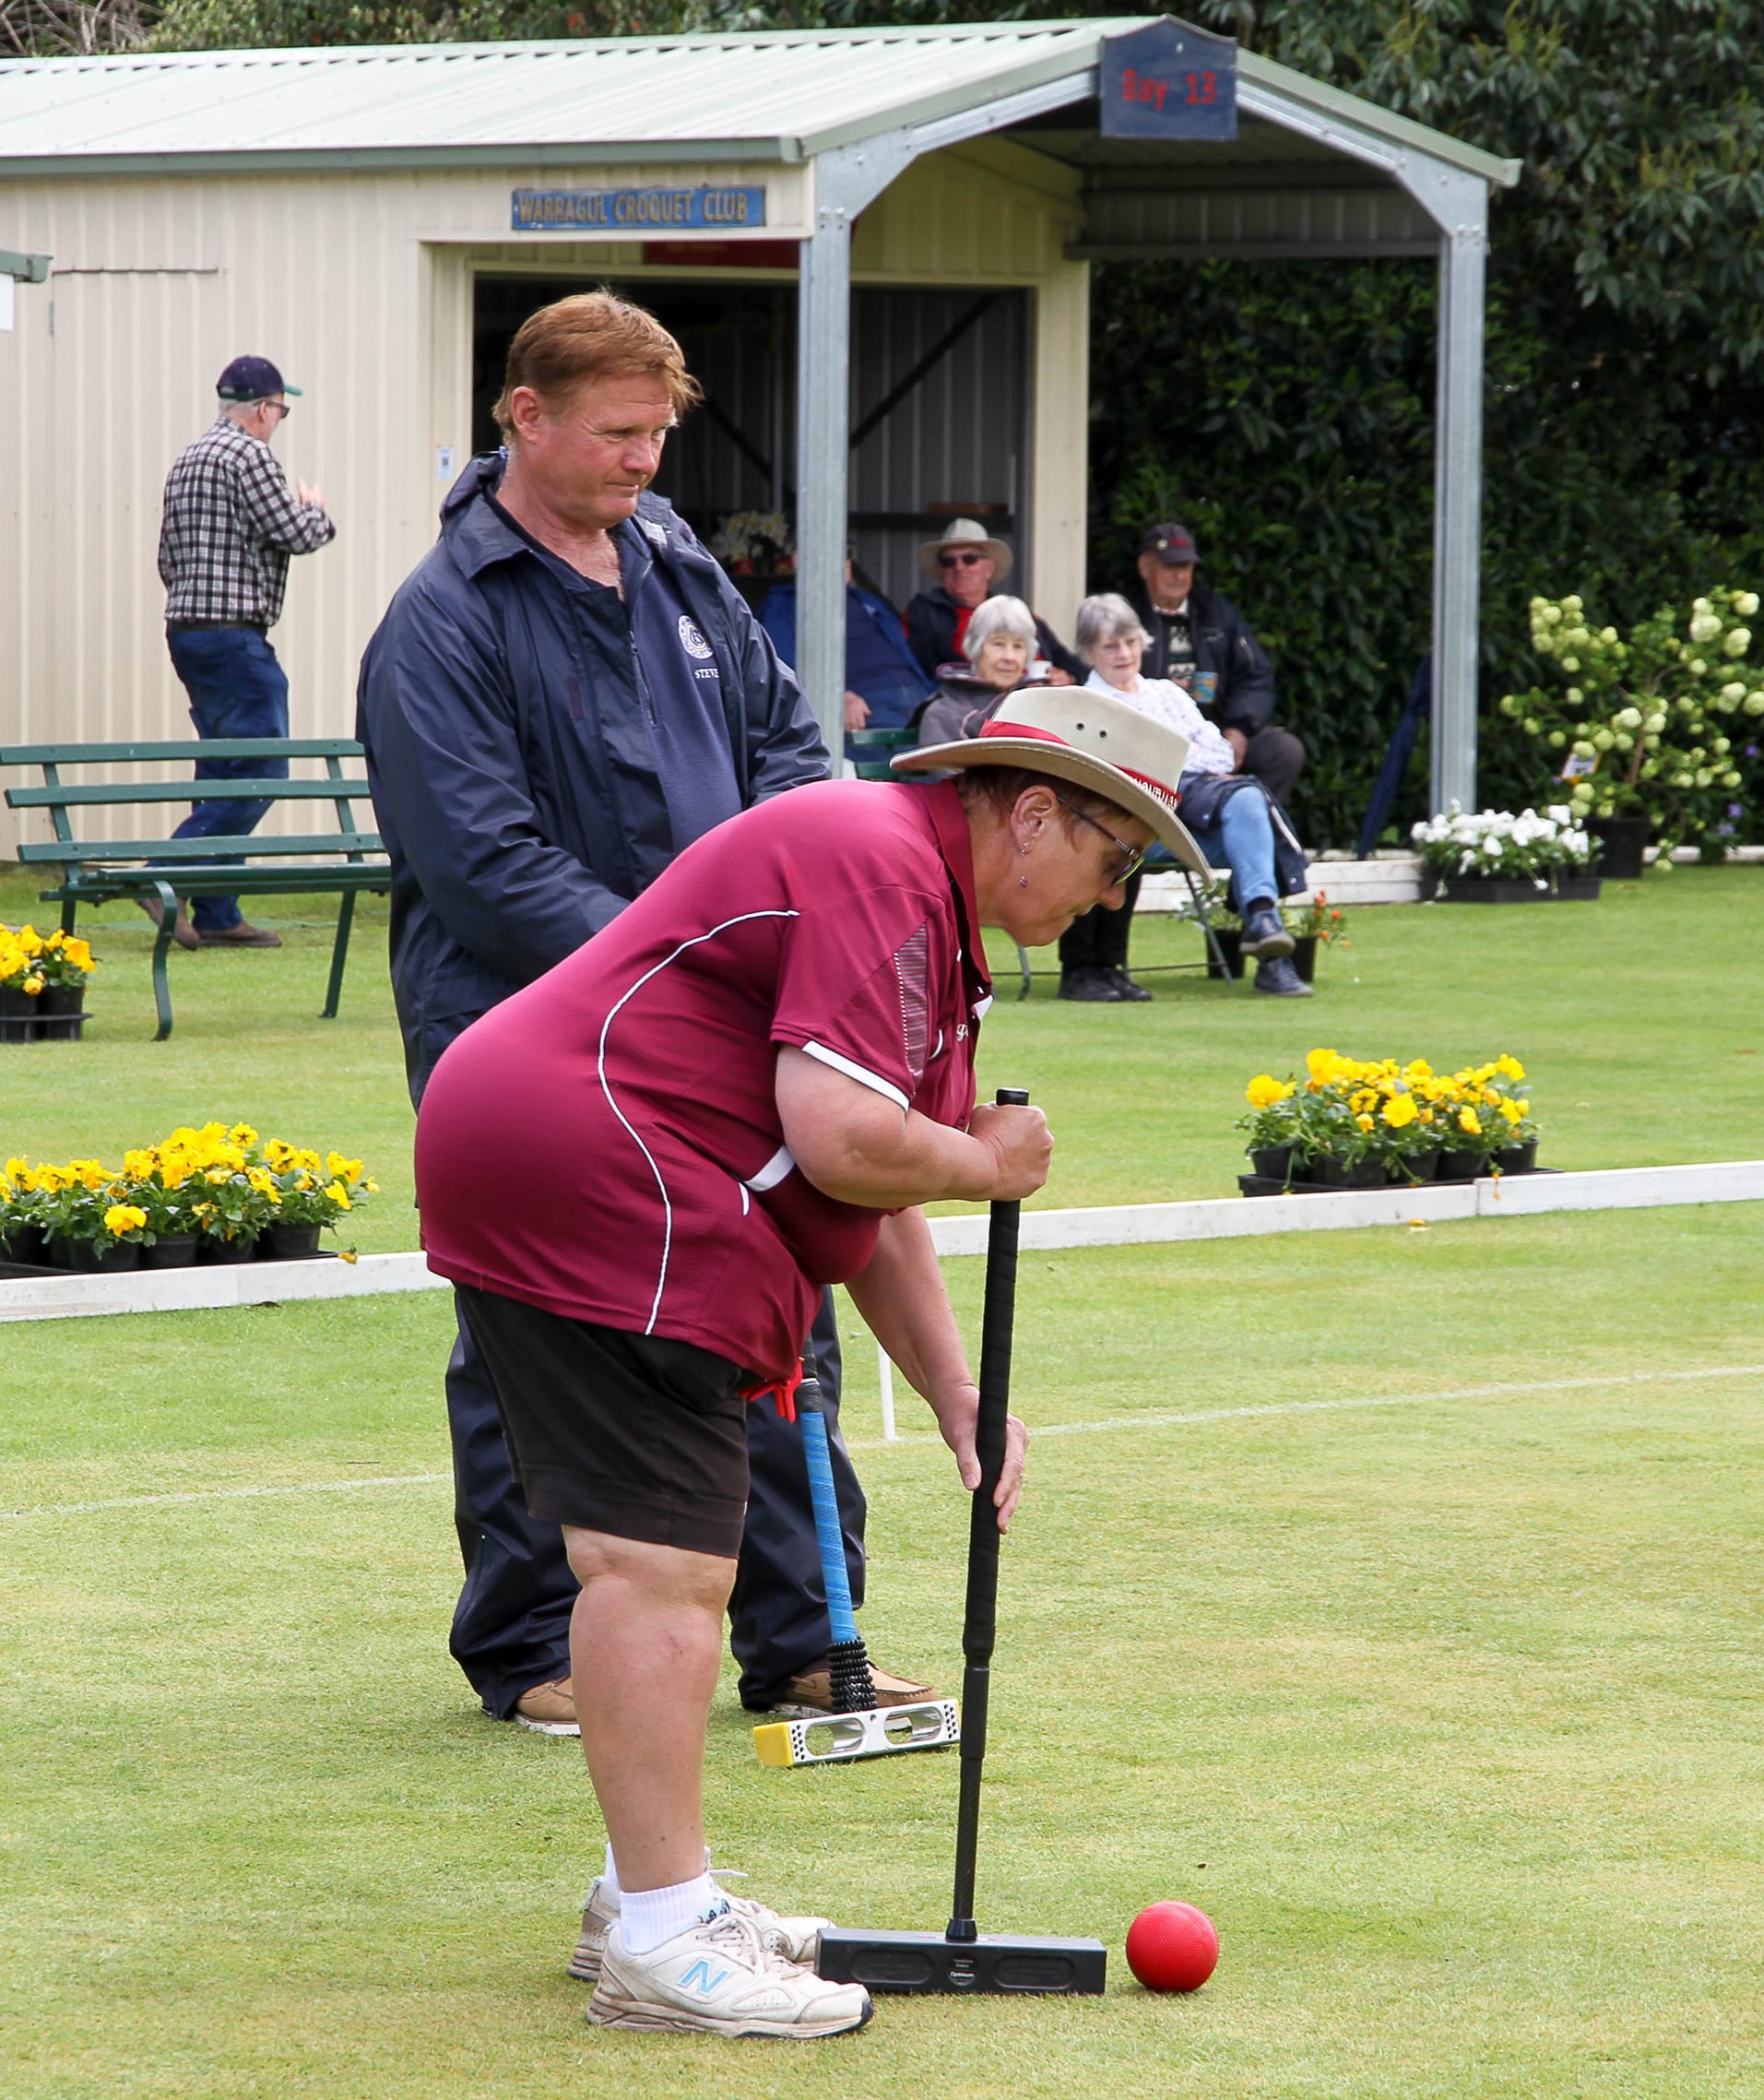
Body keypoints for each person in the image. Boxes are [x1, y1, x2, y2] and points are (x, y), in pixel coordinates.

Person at [412, 684, 1208, 2040]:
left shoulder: (923, 908)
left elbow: (877, 1202)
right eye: (1116, 855)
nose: (1114, 892)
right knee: (662, 1560)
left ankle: (642, 1896)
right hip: (608, 1166)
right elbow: (844, 1136)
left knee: (659, 1550)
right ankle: (664, 1935)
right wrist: (990, 1162)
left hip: (570, 1152)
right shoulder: (881, 865)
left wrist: (963, 1396)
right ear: (1030, 814)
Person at [357, 291, 930, 1742]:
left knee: (782, 1285)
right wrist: (702, 964)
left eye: (658, 433)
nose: (644, 462)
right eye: (615, 433)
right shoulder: (440, 623)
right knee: (541, 1326)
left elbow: (790, 752)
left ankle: (808, 1635)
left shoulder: (680, 567)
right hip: (527, 1042)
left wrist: (814, 927)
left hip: (725, 1010)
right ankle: (534, 1639)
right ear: (524, 418)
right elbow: (483, 866)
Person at [153, 354, 335, 951]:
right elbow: (292, 532)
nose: (278, 421)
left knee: (222, 765)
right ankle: (166, 877)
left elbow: (167, 560)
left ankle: (216, 910)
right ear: (261, 409)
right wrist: (314, 509)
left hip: (188, 631)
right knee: (260, 767)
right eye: (280, 410)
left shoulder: (190, 457)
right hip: (235, 637)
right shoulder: (250, 455)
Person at [1078, 592, 1312, 998]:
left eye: (1130, 642)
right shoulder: (1090, 703)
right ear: (1088, 652)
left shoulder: (1166, 693)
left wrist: (1174, 758)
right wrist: (1189, 754)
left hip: (1194, 815)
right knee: (1248, 803)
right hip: (1137, 826)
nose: (1123, 653)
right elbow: (1126, 770)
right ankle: (1269, 951)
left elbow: (1223, 752)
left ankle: (1262, 921)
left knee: (1247, 799)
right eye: (1110, 645)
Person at [1124, 522, 1306, 807]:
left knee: (1284, 751)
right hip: (1152, 737)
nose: (1179, 575)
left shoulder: (1216, 611)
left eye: (1186, 566)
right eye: (1169, 566)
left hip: (1215, 727)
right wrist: (1160, 691)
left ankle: (1250, 828)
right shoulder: (1126, 614)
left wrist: (1238, 729)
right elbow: (1110, 676)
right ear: (1145, 567)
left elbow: (1254, 677)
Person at [757, 554, 932, 732]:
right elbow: (781, 669)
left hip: (919, 695)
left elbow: (907, 655)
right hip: (865, 700)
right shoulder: (783, 604)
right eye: (831, 554)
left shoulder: (869, 602)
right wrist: (833, 697)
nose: (844, 565)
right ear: (797, 562)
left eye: (845, 559)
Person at [902, 517, 1081, 683]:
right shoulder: (924, 612)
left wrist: (1068, 679)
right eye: (948, 561)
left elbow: (1075, 666)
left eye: (969, 559)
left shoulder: (1015, 612)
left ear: (989, 568)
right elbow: (924, 674)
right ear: (941, 570)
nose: (959, 567)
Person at [908, 595, 1048, 748]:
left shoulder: (1036, 707)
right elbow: (948, 771)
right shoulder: (946, 714)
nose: (1009, 657)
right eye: (998, 644)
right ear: (976, 648)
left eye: (1018, 646)